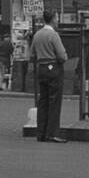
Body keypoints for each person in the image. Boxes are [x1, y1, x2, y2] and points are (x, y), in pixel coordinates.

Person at [30, 12, 67, 143]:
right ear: (52, 19)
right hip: (53, 67)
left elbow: (32, 54)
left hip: (41, 68)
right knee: (54, 102)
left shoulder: (37, 35)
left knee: (43, 101)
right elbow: (62, 55)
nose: (58, 20)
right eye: (57, 17)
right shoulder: (53, 35)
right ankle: (52, 133)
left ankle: (41, 132)